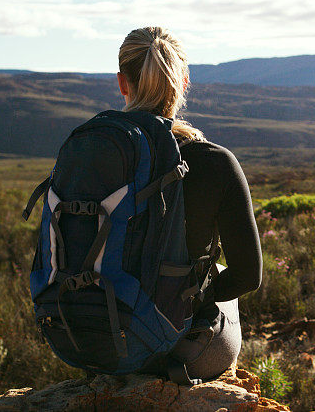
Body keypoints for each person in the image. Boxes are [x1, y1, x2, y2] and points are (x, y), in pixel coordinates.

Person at [116, 26, 263, 380]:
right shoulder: (214, 162)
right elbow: (249, 275)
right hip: (173, 351)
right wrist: (195, 294)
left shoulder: (95, 155)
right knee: (224, 273)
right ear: (183, 83)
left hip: (95, 341)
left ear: (122, 83)